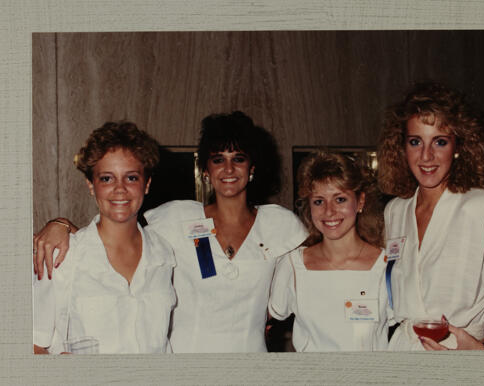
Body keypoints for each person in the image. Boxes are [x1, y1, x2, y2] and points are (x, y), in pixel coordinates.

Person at [33, 111, 307, 353]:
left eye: (238, 158)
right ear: (205, 171)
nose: (228, 169)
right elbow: (112, 231)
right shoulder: (176, 219)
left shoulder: (280, 226)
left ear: (252, 168)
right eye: (218, 159)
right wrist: (60, 224)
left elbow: (309, 271)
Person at [377, 82, 484, 350]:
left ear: (459, 147)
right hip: (401, 349)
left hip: (458, 353)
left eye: (440, 141)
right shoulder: (394, 210)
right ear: (402, 148)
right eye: (415, 142)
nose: (426, 156)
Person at [33, 121, 176, 354]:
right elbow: (33, 344)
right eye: (107, 179)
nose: (120, 189)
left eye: (131, 178)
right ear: (91, 185)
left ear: (147, 184)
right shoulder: (62, 257)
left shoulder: (164, 254)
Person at [268, 150, 390, 351]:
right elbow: (257, 319)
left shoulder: (386, 266)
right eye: (319, 201)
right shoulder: (293, 265)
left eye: (340, 199)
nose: (329, 211)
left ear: (360, 202)